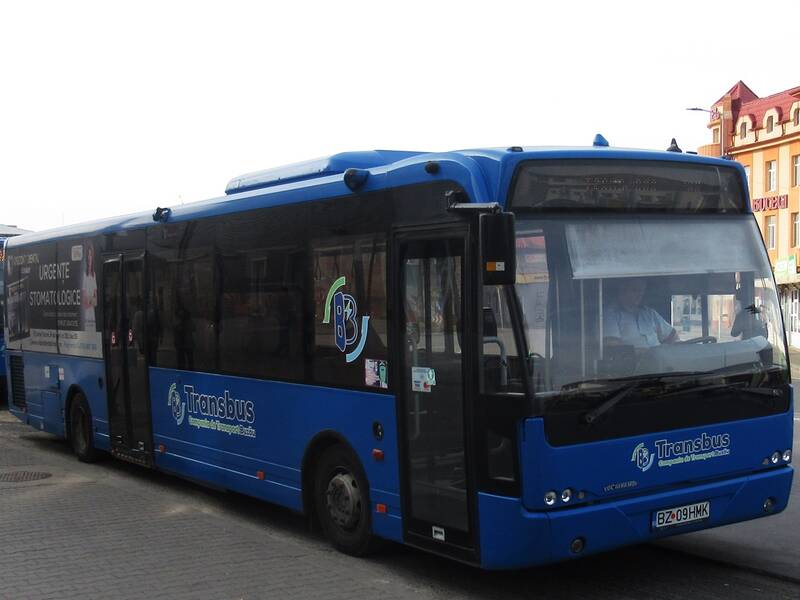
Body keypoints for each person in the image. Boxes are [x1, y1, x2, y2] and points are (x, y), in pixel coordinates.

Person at [604, 278, 678, 349]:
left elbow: (672, 336)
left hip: (658, 357)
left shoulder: (650, 313)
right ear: (622, 290)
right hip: (630, 358)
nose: (640, 294)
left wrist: (663, 352)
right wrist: (643, 352)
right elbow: (612, 346)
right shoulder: (610, 315)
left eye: (642, 291)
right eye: (635, 290)